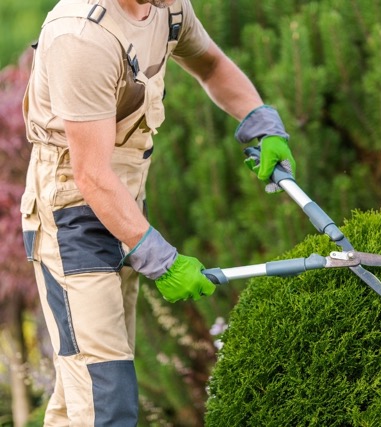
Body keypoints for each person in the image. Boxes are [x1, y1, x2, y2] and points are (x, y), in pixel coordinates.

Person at [20, 0, 296, 424]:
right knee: (105, 398)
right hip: (72, 218)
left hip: (125, 206)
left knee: (84, 384)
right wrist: (160, 258)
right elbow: (90, 174)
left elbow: (210, 64)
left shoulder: (168, 8)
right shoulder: (81, 36)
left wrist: (260, 120)